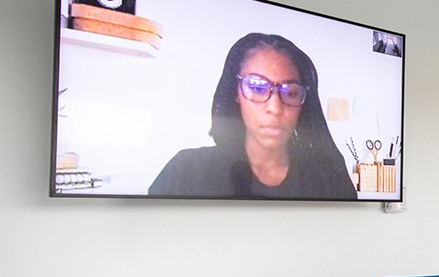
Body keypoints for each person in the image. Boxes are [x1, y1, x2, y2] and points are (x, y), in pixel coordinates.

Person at [149, 33, 357, 200]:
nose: (275, 108)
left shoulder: (328, 176)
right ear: (235, 93)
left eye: (291, 92)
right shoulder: (186, 170)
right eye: (257, 87)